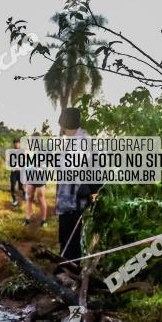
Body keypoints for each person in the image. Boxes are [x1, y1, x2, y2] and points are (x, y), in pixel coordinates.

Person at [56, 108, 100, 260]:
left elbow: (96, 170)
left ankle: (72, 270)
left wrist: (92, 193)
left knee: (74, 238)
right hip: (64, 200)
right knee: (65, 236)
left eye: (62, 124)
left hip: (77, 200)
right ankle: (64, 266)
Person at [10, 137, 25, 206]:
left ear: (20, 144)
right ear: (14, 144)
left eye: (17, 143)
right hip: (13, 172)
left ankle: (25, 194)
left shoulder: (23, 151)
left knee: (20, 187)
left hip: (21, 171)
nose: (16, 145)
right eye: (15, 143)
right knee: (12, 185)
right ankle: (14, 199)